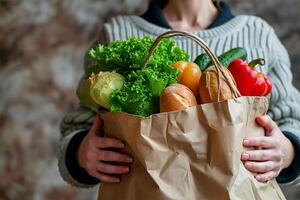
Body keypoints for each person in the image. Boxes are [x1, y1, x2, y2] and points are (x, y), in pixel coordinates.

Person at [58, 0, 300, 188]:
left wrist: (287, 151)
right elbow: (78, 128)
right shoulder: (119, 33)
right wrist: (82, 153)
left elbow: (294, 121)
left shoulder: (258, 34)